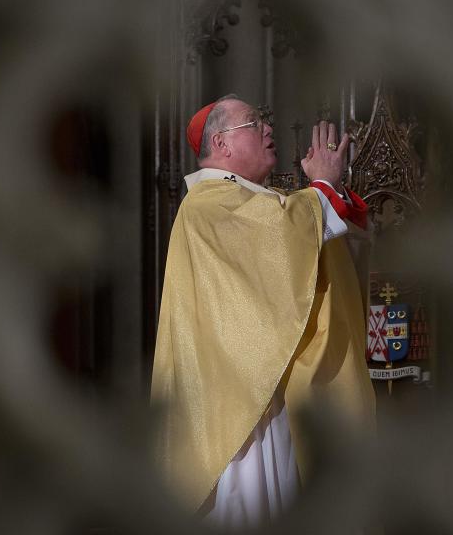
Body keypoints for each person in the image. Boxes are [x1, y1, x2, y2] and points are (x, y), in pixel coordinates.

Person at [150, 95, 376, 529]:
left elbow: (302, 238)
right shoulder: (207, 204)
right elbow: (282, 240)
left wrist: (328, 190)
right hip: (240, 411)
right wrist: (323, 188)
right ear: (221, 142)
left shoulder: (256, 200)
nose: (269, 129)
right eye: (255, 123)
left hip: (271, 395)